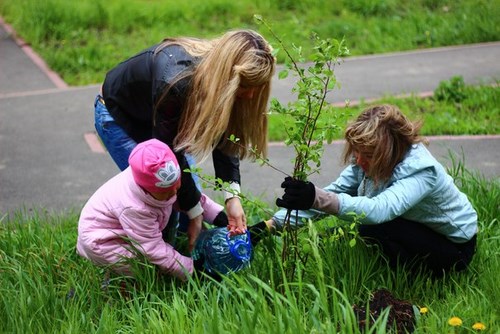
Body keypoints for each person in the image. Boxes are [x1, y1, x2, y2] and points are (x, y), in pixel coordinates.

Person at [93, 29, 276, 249]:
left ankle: (188, 255)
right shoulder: (176, 82)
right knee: (163, 200)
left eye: (257, 88)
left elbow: (226, 138)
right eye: (245, 86)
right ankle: (149, 267)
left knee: (187, 205)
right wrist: (193, 209)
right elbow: (167, 153)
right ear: (226, 75)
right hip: (121, 116)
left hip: (162, 123)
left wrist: (232, 198)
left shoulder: (220, 81)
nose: (250, 95)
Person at [271, 104, 478, 276]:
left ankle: (415, 278)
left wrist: (316, 197)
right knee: (357, 229)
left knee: (372, 227)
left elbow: (379, 209)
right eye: (357, 152)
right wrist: (270, 226)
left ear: (387, 153)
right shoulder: (367, 162)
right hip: (419, 228)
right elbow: (333, 192)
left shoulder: (422, 172)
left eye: (367, 155)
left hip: (455, 248)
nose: (359, 160)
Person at [76, 139, 228, 280]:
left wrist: (218, 216)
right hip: (103, 242)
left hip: (123, 230)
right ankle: (117, 288)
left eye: (177, 187)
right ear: (147, 189)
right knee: (141, 269)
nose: (174, 194)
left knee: (155, 261)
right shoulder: (135, 208)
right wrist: (192, 270)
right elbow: (152, 248)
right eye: (167, 193)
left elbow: (188, 196)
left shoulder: (163, 185)